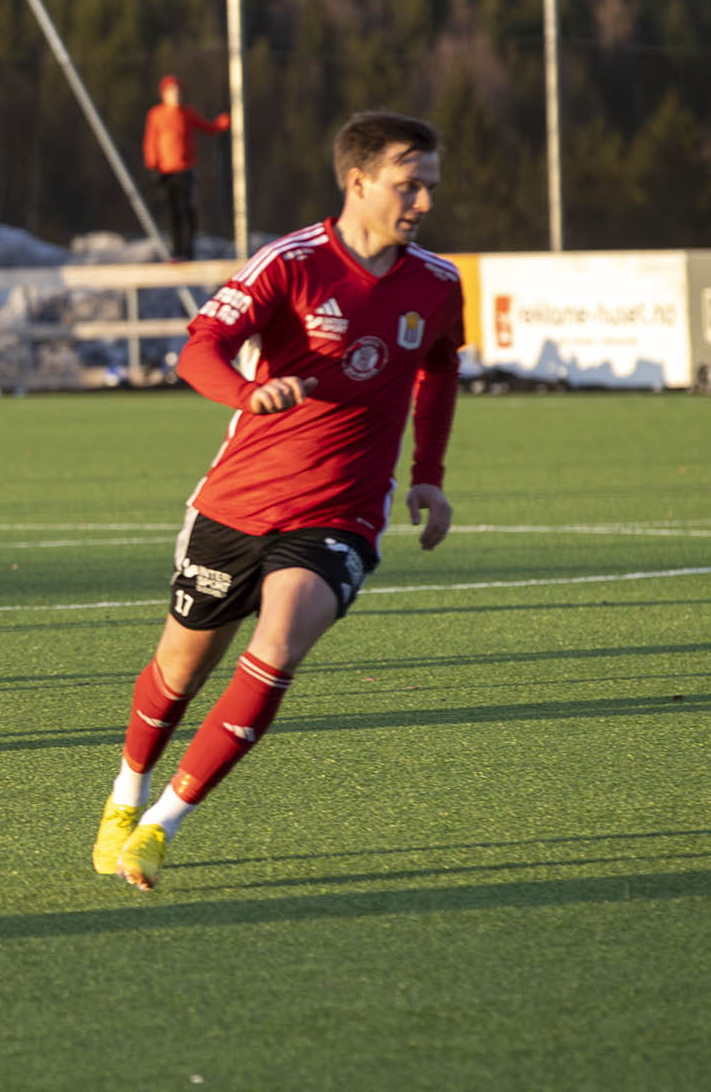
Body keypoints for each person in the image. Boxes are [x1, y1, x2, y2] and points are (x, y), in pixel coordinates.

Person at [92, 109, 462, 891]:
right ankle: (126, 793)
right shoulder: (291, 263)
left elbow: (438, 370)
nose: (423, 203)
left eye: (429, 186)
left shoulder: (435, 283)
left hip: (343, 515)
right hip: (238, 503)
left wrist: (427, 472)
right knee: (179, 669)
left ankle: (161, 826)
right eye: (408, 185)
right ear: (358, 182)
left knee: (279, 643)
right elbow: (198, 349)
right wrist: (250, 391)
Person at [141, 74, 230, 259]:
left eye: (179, 92)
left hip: (186, 170)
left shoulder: (188, 114)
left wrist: (221, 124)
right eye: (172, 92)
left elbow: (207, 127)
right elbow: (151, 140)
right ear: (164, 95)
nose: (176, 96)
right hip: (166, 171)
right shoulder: (157, 114)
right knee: (174, 210)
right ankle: (177, 251)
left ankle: (189, 250)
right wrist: (152, 165)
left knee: (187, 209)